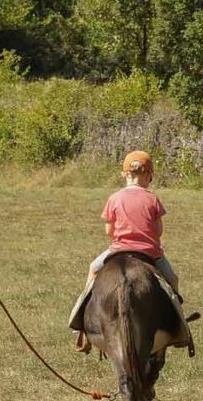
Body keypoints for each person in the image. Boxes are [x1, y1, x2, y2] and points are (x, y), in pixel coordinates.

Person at [75, 150, 179, 351]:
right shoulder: (152, 199)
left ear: (125, 174)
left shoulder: (114, 198)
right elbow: (158, 231)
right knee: (172, 280)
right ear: (148, 175)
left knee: (93, 269)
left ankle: (81, 322)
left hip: (118, 250)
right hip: (151, 254)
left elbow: (109, 231)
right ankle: (178, 329)